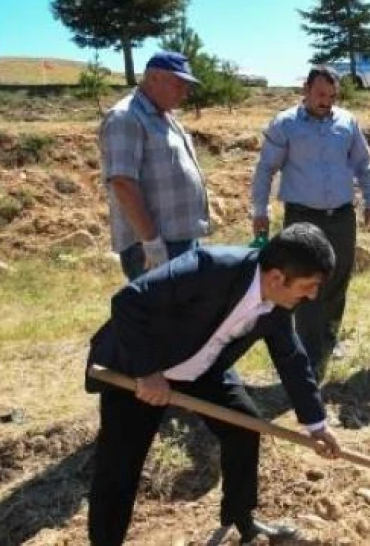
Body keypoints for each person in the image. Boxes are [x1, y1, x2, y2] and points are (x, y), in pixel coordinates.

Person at [85, 224, 342, 546]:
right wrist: (148, 372)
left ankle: (241, 521)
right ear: (277, 277)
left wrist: (316, 425)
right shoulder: (209, 267)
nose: (313, 295)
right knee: (120, 466)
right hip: (140, 369)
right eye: (309, 285)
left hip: (203, 369)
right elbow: (128, 301)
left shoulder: (278, 304)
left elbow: (291, 358)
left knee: (245, 428)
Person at [251, 66, 370, 378]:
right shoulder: (285, 124)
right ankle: (308, 357)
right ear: (306, 90)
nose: (326, 101)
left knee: (337, 279)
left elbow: (364, 164)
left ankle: (328, 340)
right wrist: (260, 209)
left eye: (332, 96)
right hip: (303, 217)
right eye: (320, 94)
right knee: (304, 283)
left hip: (341, 216)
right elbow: (266, 168)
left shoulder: (347, 122)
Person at [98, 51, 211, 281]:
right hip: (154, 245)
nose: (185, 93)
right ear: (153, 79)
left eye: (187, 87)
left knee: (183, 313)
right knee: (162, 315)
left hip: (179, 239)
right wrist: (151, 242)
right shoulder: (126, 117)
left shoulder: (164, 117)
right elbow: (123, 183)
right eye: (179, 84)